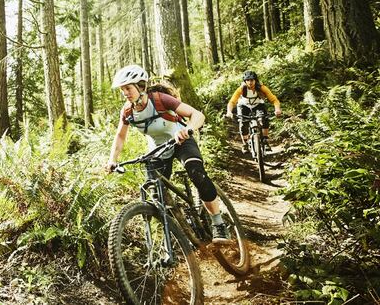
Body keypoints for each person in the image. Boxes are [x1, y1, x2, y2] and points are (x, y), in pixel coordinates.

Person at [105, 64, 230, 242]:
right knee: (157, 198)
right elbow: (120, 137)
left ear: (141, 86)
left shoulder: (160, 99)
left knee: (197, 173)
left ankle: (218, 224)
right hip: (157, 150)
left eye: (128, 88)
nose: (125, 92)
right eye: (122, 89)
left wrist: (188, 129)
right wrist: (112, 160)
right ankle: (173, 238)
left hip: (181, 142)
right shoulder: (127, 111)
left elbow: (198, 115)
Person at [225, 70, 281, 154]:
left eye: (252, 80)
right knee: (243, 123)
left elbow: (274, 100)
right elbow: (232, 102)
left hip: (258, 105)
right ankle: (245, 143)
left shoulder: (262, 88)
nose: (250, 82)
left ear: (255, 80)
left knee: (264, 119)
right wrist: (229, 111)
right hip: (244, 105)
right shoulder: (241, 89)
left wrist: (277, 109)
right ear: (245, 81)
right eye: (248, 80)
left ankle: (265, 140)